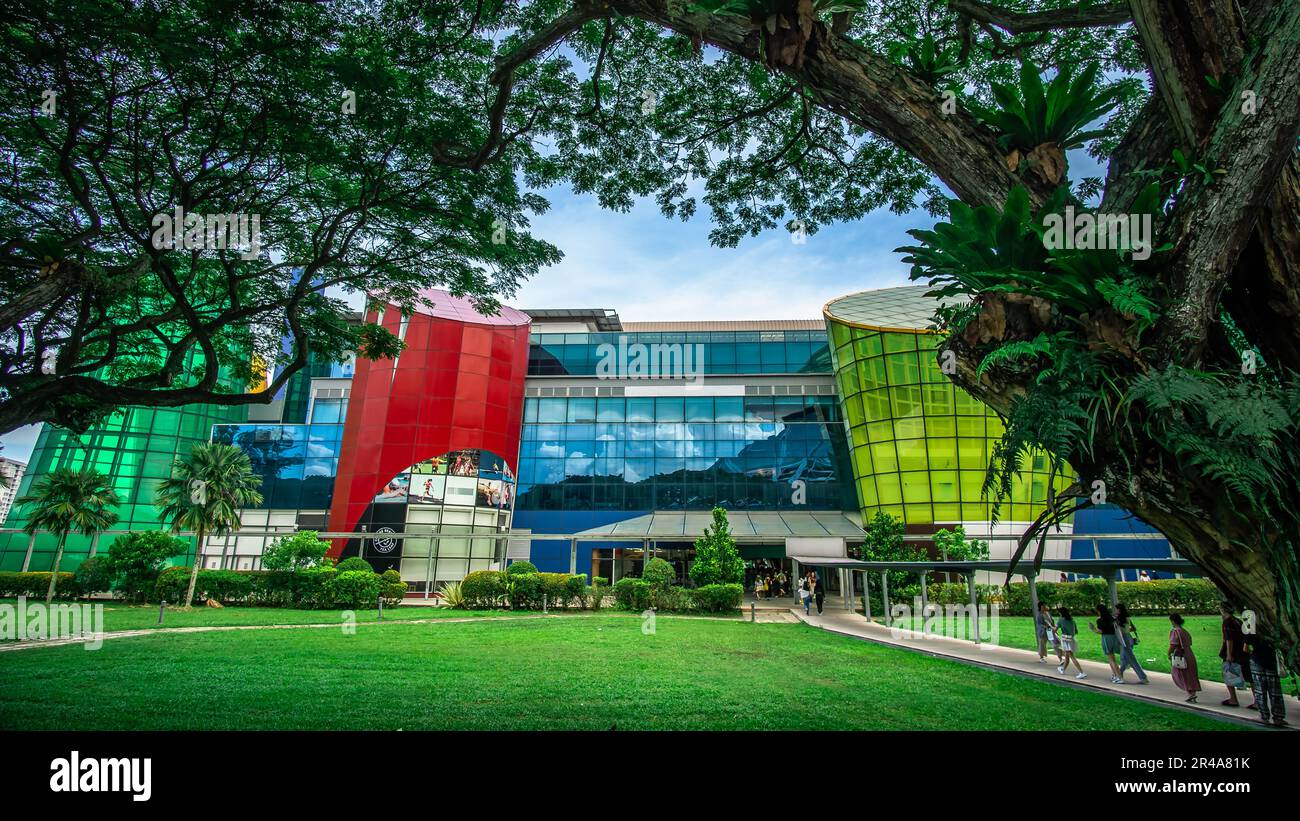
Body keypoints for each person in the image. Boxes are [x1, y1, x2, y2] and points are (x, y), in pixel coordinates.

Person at [1247, 635, 1287, 728]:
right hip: (1271, 661)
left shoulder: (1251, 629)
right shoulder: (1271, 630)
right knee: (1275, 691)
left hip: (1257, 661)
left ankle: (1263, 716)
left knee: (1260, 690)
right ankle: (1278, 717)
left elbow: (1246, 648)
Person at [1218, 604, 1252, 707]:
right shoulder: (1237, 621)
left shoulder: (1227, 622)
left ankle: (1233, 699)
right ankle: (1257, 701)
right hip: (1242, 651)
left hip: (1233, 652)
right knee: (1249, 675)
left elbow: (1229, 639)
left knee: (1228, 673)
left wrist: (1229, 654)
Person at [1168, 613, 1202, 703]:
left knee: (1179, 673)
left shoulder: (1175, 631)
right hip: (1189, 653)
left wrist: (1168, 654)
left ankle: (1190, 693)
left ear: (1173, 621)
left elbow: (1173, 644)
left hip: (1180, 654)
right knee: (1190, 673)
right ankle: (1192, 693)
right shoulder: (1184, 631)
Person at [1113, 602, 1149, 684]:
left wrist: (1115, 624)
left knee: (1131, 659)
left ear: (1119, 610)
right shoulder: (1127, 617)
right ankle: (1118, 675)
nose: (1116, 611)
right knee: (1124, 659)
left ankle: (1143, 677)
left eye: (1117, 609)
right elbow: (1132, 628)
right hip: (1128, 638)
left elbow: (1121, 631)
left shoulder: (1119, 619)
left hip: (1124, 639)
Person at [1089, 603, 1123, 683]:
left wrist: (1092, 628)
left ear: (1098, 611)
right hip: (1114, 637)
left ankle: (1118, 677)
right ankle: (1116, 676)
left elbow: (1100, 631)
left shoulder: (1100, 620)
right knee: (1113, 658)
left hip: (1106, 638)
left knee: (1111, 659)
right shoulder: (1111, 617)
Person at [1055, 607, 1086, 679]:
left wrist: (1050, 626)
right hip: (1071, 639)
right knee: (1067, 656)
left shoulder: (1060, 620)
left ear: (1061, 613)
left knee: (1071, 656)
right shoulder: (1072, 620)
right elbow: (1076, 632)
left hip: (1065, 640)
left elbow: (1054, 630)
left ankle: (1081, 672)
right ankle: (1063, 669)